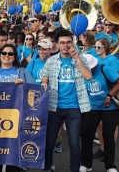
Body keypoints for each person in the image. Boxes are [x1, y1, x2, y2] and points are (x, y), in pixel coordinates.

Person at [41, 28, 92, 172]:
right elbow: (45, 79)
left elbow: (88, 76)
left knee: (74, 144)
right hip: (54, 106)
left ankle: (74, 170)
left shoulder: (80, 58)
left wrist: (77, 59)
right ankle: (47, 167)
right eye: (62, 43)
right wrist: (44, 83)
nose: (66, 45)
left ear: (73, 43)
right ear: (57, 44)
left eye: (68, 42)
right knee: (49, 142)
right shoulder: (51, 61)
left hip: (74, 107)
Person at [0, 44, 34, 172]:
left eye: (10, 54)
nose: (7, 56)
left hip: (16, 117)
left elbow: (34, 92)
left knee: (14, 150)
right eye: (4, 53)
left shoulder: (23, 72)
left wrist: (24, 85)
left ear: (14, 57)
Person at [80, 54, 119, 172]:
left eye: (93, 67)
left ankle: (110, 165)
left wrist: (109, 96)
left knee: (108, 135)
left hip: (110, 107)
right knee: (86, 133)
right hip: (93, 106)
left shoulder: (104, 68)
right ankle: (86, 164)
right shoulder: (81, 71)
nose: (92, 69)